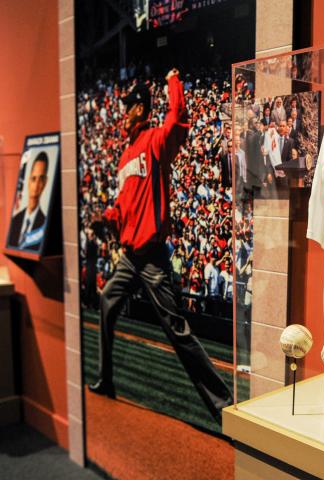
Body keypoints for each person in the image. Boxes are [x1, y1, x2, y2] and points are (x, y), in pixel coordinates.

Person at [89, 69, 233, 422]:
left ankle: (225, 407)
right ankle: (107, 380)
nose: (124, 112)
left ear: (141, 108)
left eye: (128, 107)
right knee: (107, 301)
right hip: (129, 257)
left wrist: (173, 82)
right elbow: (123, 206)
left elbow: (178, 121)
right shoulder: (125, 157)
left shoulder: (154, 140)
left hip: (152, 257)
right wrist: (106, 217)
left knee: (177, 330)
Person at [7, 151, 49, 250]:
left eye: (41, 179)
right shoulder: (15, 220)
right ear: (28, 180)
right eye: (34, 178)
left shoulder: (44, 223)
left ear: (45, 182)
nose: (36, 184)